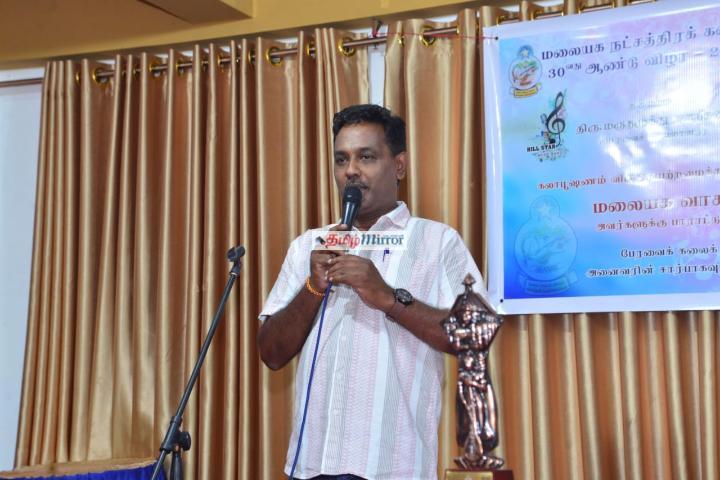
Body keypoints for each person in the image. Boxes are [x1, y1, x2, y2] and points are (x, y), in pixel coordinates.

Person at [257, 104, 490, 480]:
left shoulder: (437, 241)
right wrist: (312, 288)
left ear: (399, 166)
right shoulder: (309, 246)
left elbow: (476, 335)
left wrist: (388, 298)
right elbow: (271, 353)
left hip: (394, 468)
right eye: (341, 159)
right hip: (311, 467)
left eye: (366, 157)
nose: (350, 170)